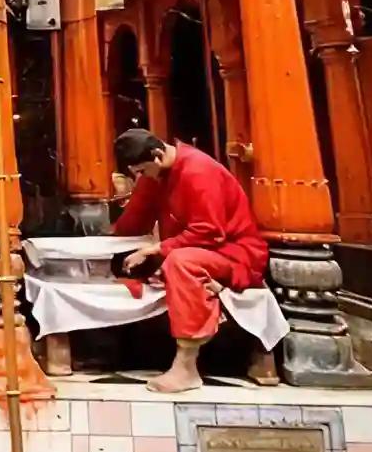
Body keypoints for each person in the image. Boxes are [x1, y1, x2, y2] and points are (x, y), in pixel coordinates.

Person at [109, 128, 269, 393]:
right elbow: (133, 222)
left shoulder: (198, 171)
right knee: (151, 263)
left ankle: (186, 365)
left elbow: (210, 232)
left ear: (157, 156)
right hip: (196, 250)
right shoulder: (155, 173)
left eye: (141, 171)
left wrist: (156, 249)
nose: (140, 177)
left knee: (180, 262)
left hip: (232, 253)